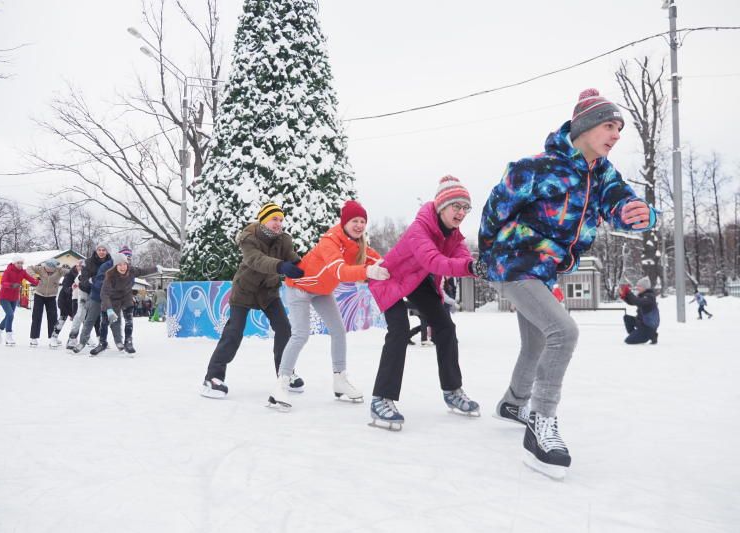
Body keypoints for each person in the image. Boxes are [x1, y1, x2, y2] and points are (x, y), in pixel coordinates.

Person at [477, 89, 656, 479]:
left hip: (547, 270)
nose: (616, 134)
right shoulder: (534, 168)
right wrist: (486, 254)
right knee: (563, 331)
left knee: (537, 341)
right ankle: (541, 425)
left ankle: (513, 404)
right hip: (514, 262)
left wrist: (640, 213)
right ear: (586, 127)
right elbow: (494, 210)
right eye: (609, 125)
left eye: (620, 127)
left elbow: (619, 203)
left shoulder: (604, 173)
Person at [368, 176, 481, 430]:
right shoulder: (419, 229)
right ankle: (381, 399)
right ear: (442, 207)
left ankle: (452, 390)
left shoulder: (452, 234)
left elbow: (462, 256)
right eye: (456, 206)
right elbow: (434, 261)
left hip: (416, 281)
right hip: (390, 279)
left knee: (445, 326)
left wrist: (478, 266)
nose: (461, 213)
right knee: (398, 331)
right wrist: (469, 266)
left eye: (466, 208)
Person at [268, 200, 388, 410]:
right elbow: (339, 271)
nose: (359, 225)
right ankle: (282, 382)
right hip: (299, 288)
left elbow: (382, 261)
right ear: (344, 222)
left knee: (339, 331)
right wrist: (367, 272)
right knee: (300, 334)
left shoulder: (359, 246)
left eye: (362, 221)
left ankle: (340, 379)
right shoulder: (330, 241)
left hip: (322, 292)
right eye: (354, 221)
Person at [201, 202, 304, 399]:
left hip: (268, 292)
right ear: (264, 219)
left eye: (281, 220)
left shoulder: (284, 240)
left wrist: (303, 265)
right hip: (245, 290)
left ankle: (285, 373)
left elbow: (293, 258)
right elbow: (255, 260)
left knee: (284, 328)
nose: (278, 223)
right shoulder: (249, 238)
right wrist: (282, 266)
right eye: (274, 219)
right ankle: (212, 378)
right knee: (234, 332)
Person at [99, 251, 158, 355]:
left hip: (126, 298)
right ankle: (102, 343)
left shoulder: (132, 271)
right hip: (111, 300)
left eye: (124, 264)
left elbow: (144, 271)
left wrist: (156, 268)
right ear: (115, 266)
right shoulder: (109, 276)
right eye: (120, 265)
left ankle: (128, 342)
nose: (123, 267)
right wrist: (109, 309)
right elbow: (104, 294)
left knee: (129, 321)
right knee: (104, 322)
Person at [67, 246, 111, 350]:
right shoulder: (88, 262)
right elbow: (85, 279)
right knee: (81, 313)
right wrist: (94, 281)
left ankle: (101, 339)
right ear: (96, 251)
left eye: (104, 250)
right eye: (99, 250)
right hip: (86, 290)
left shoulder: (110, 263)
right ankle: (72, 338)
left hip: (100, 291)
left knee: (100, 316)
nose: (101, 252)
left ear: (107, 251)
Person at [0, 255, 40, 346]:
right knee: (10, 315)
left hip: (14, 298)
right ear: (14, 263)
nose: (20, 265)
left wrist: (38, 282)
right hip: (4, 297)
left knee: (9, 316)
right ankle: (8, 336)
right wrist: (11, 285)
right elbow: (3, 282)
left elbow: (30, 279)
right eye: (18, 263)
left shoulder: (22, 272)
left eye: (21, 263)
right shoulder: (8, 271)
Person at [28, 259, 69, 348]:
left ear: (55, 267)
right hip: (39, 295)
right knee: (36, 316)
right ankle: (33, 338)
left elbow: (71, 272)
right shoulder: (40, 269)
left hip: (51, 296)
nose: (49, 270)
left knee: (53, 318)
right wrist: (34, 275)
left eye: (51, 268)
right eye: (47, 268)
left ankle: (53, 337)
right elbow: (29, 268)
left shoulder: (59, 270)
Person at [619, 277, 659, 344]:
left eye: (639, 286)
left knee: (628, 341)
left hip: (648, 327)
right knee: (627, 318)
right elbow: (632, 302)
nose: (637, 288)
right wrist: (623, 296)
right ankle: (637, 335)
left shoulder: (649, 297)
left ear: (645, 287)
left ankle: (650, 335)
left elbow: (637, 302)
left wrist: (628, 292)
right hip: (642, 322)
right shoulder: (643, 296)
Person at [53, 263, 80, 343]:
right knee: (63, 318)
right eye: (78, 266)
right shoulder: (70, 274)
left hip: (76, 300)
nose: (80, 267)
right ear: (75, 266)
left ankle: (85, 338)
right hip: (65, 300)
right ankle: (54, 336)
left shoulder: (85, 274)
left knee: (80, 319)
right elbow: (66, 288)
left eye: (82, 266)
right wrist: (71, 289)